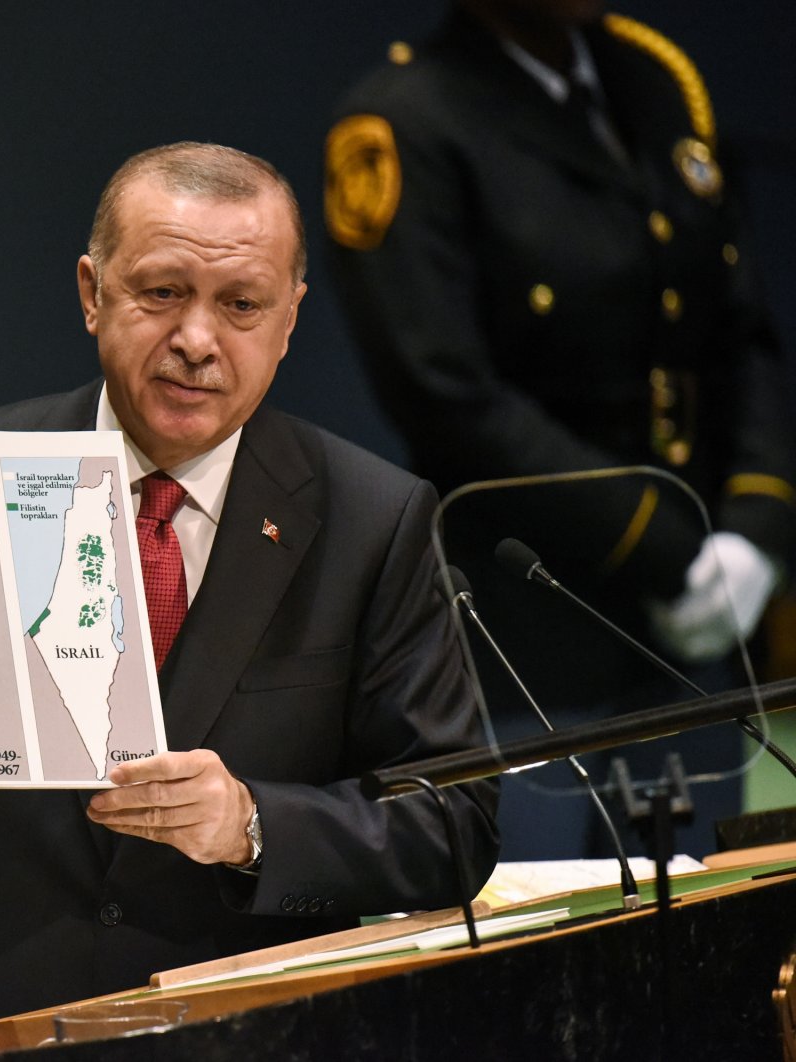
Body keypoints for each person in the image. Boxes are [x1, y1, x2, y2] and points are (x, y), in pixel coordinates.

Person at [0, 142, 499, 1057]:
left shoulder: (375, 520)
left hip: (243, 1035)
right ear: (93, 293)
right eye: (162, 293)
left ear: (290, 320)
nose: (198, 341)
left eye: (242, 305)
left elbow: (452, 825)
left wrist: (251, 824)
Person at [324, 1, 796, 858]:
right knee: (543, 955)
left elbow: (742, 333)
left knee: (717, 942)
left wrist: (758, 533)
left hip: (696, 632)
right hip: (532, 638)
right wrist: (665, 544)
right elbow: (447, 394)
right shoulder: (406, 120)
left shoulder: (655, 82)